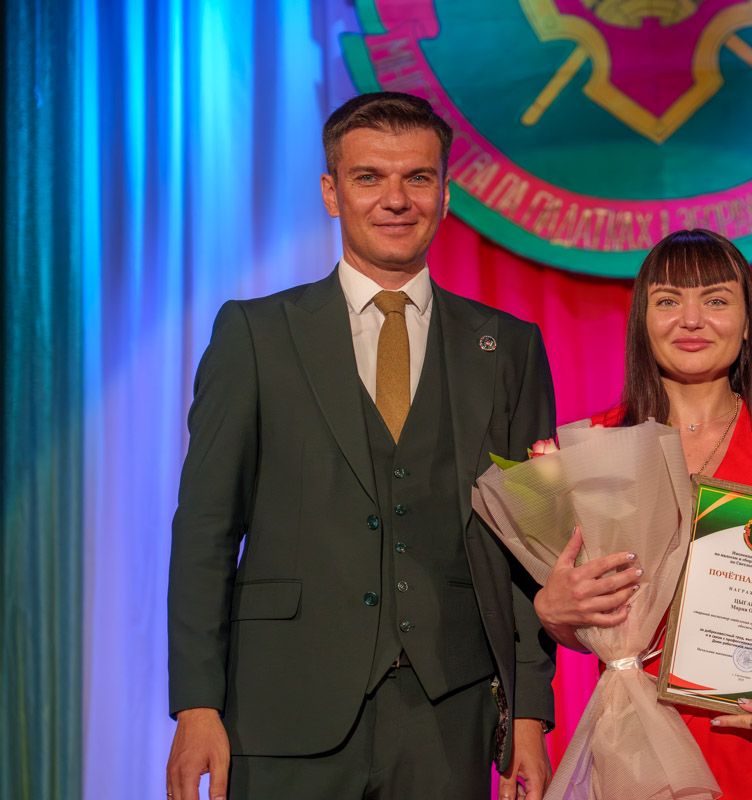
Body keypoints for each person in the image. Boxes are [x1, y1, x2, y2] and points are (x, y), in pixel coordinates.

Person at [165, 92, 556, 800]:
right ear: (331, 192)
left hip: (451, 715)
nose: (395, 200)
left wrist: (528, 712)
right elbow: (205, 531)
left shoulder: (508, 348)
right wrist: (197, 704)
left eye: (418, 177)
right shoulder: (256, 335)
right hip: (283, 707)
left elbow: (531, 549)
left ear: (446, 193)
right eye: (369, 177)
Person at [533, 229, 752, 799]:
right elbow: (580, 624)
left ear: (747, 321)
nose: (691, 320)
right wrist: (552, 610)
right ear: (643, 321)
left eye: (715, 300)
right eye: (668, 300)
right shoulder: (594, 445)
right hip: (639, 749)